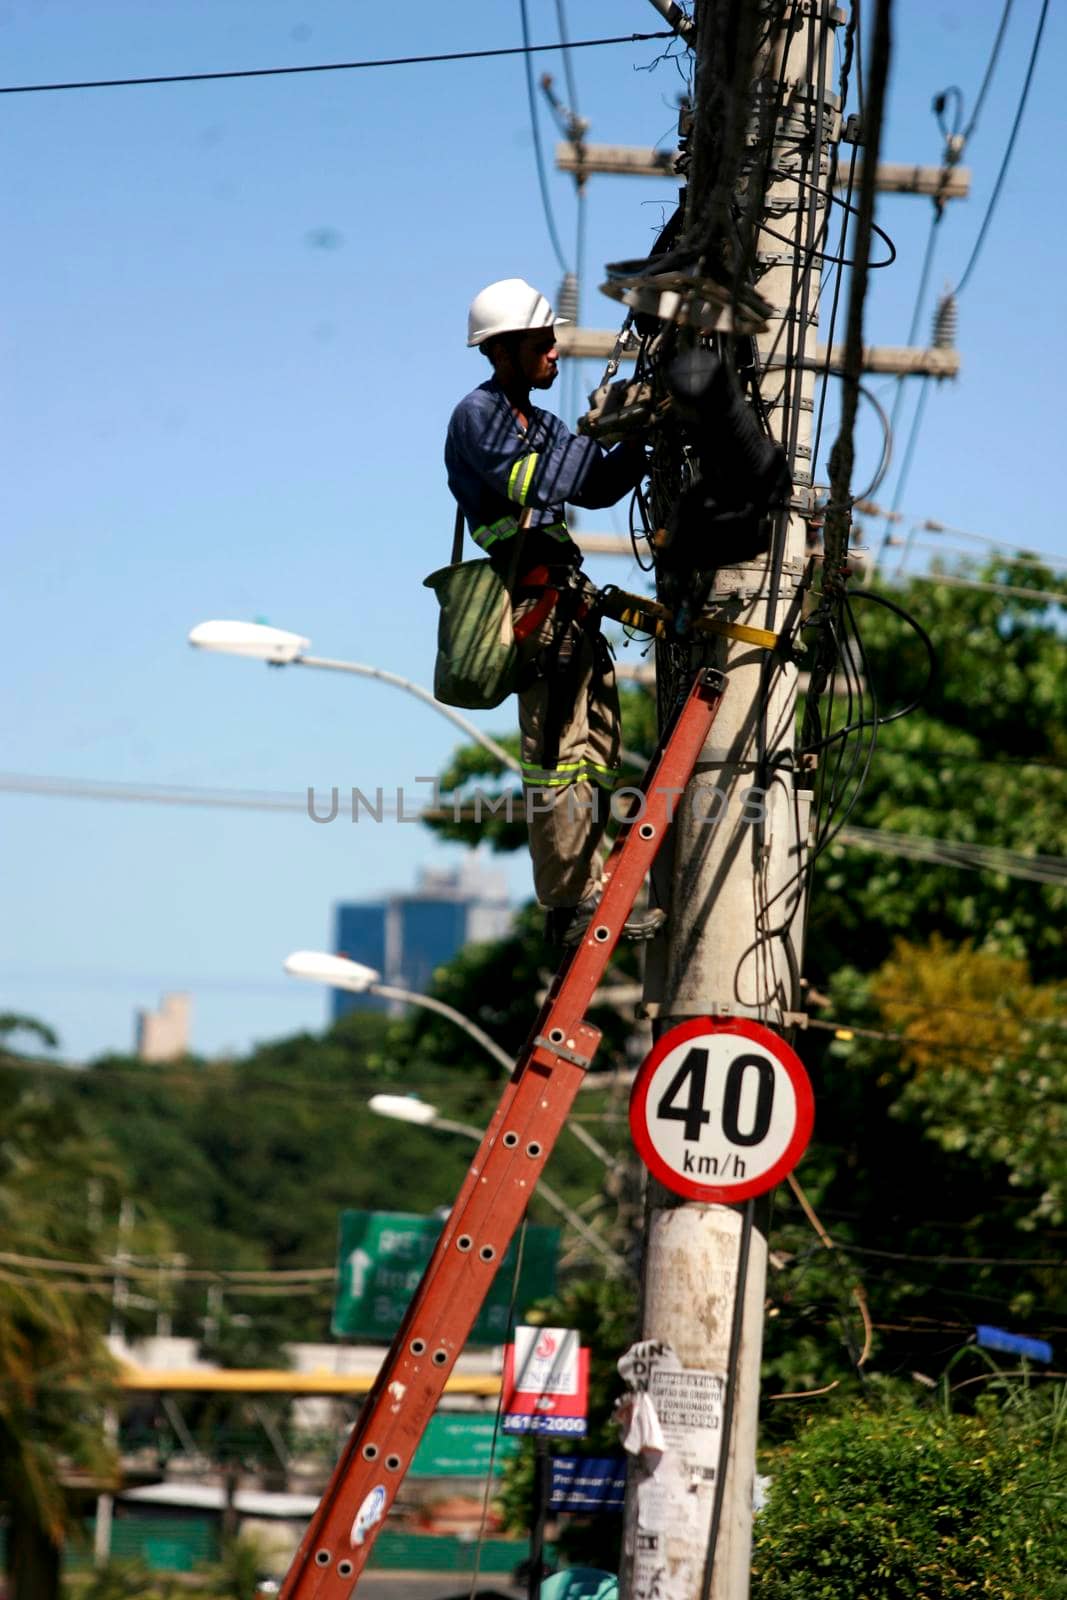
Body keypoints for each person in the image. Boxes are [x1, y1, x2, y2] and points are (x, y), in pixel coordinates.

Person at [445, 277, 666, 946]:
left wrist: (640, 438)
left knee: (596, 753)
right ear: (502, 349)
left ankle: (588, 889)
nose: (555, 353)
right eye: (542, 343)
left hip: (566, 609)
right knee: (557, 758)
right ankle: (569, 904)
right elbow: (537, 480)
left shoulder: (538, 423)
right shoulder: (477, 417)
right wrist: (605, 425)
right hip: (528, 608)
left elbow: (593, 485)